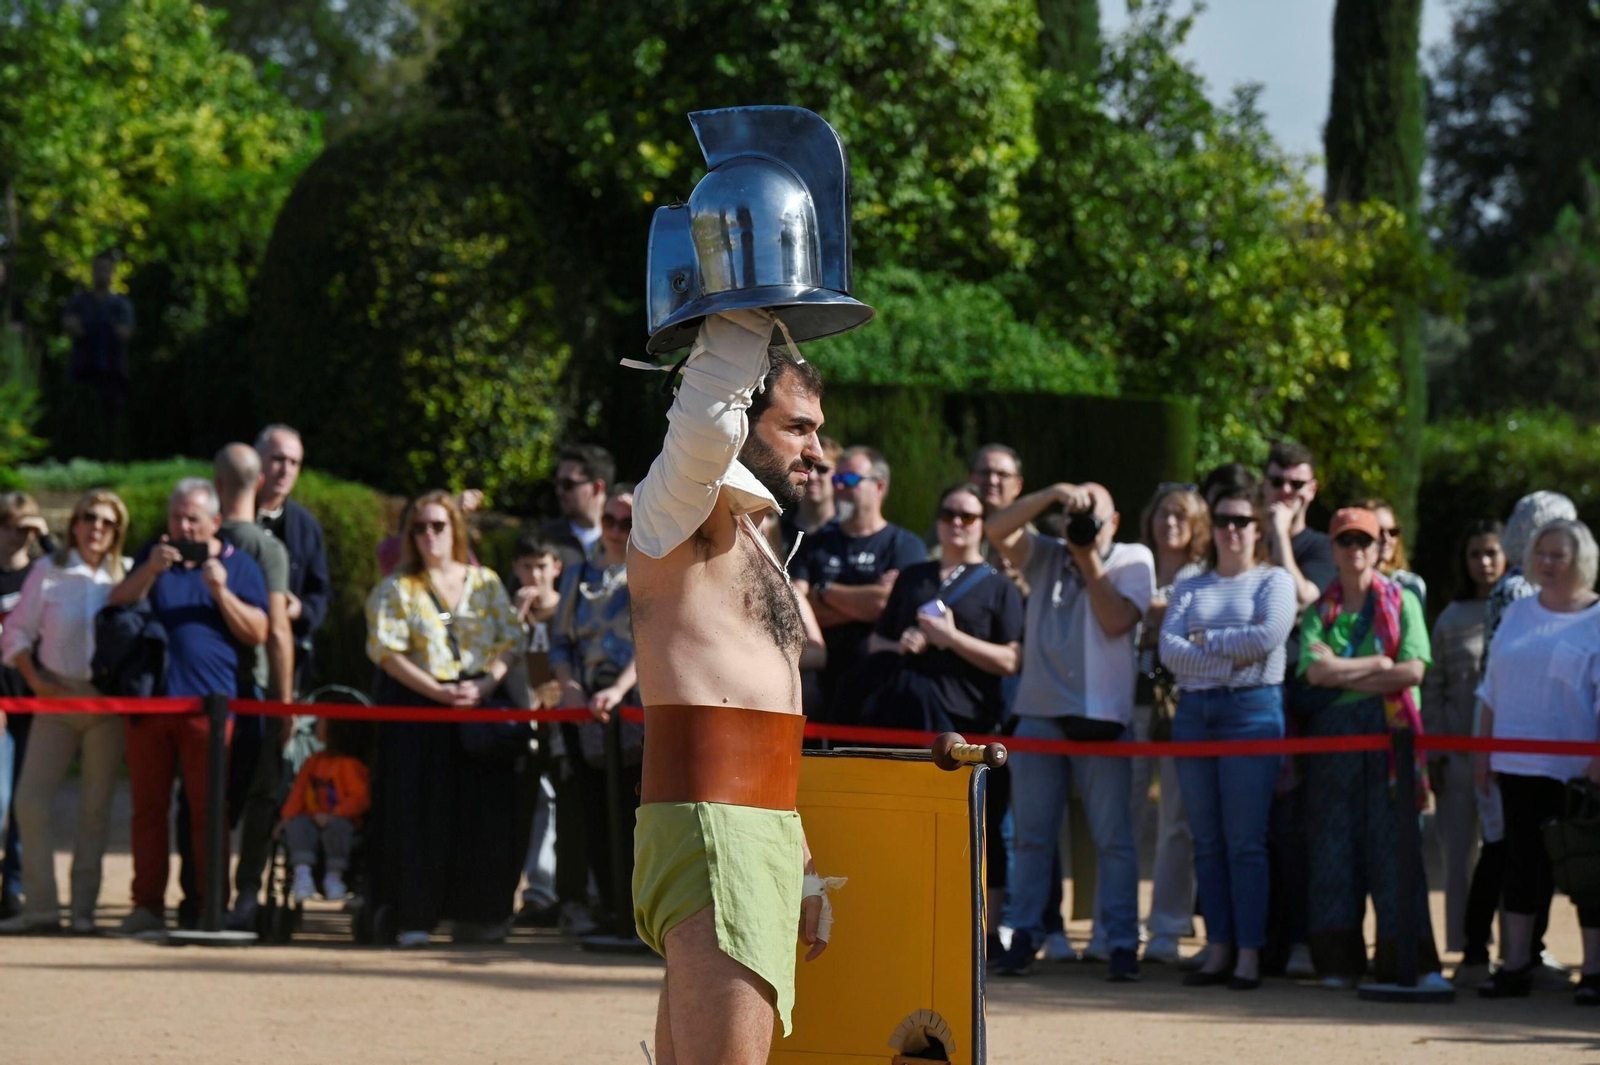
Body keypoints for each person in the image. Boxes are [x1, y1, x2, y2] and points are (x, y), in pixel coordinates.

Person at [627, 309, 843, 1060]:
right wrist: (743, 307)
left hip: (751, 826)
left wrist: (800, 862)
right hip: (714, 826)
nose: (818, 451)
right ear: (746, 416)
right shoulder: (679, 506)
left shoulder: (750, 531)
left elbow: (766, 708)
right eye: (798, 427)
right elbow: (706, 416)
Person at [984, 479, 1155, 981]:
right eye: (1073, 516)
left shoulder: (1133, 558)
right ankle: (1025, 937)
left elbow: (1117, 621)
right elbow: (995, 530)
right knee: (1032, 839)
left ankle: (1121, 943)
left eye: (1092, 515)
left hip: (1102, 718)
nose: (1081, 524)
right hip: (1039, 714)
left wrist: (1087, 556)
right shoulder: (1046, 553)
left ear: (1114, 522)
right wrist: (1053, 495)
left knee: (1114, 839)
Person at [108, 478, 269, 937]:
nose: (183, 527)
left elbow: (258, 631)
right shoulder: (154, 556)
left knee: (209, 811)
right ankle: (146, 905)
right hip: (151, 703)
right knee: (148, 809)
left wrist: (221, 591)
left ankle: (209, 906)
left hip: (210, 710)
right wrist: (149, 571)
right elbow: (116, 602)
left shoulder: (240, 566)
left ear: (216, 521)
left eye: (192, 519)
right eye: (176, 517)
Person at [1297, 507, 1446, 990]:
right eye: (1345, 541)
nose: (1355, 549)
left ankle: (1409, 962)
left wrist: (1344, 671)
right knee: (1334, 848)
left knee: (1394, 849)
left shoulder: (1403, 601)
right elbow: (1314, 673)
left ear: (1380, 546)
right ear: (1333, 548)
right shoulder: (1320, 610)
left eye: (1364, 540)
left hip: (1391, 737)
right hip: (1334, 741)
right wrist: (1378, 664)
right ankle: (1338, 963)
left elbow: (1413, 671)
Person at [364, 490, 521, 948]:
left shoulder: (486, 582)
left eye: (438, 526)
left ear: (455, 530)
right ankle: (415, 914)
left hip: (479, 709)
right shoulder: (398, 587)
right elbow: (386, 651)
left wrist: (485, 685)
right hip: (420, 712)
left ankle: (479, 916)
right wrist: (438, 692)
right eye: (419, 528)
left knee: (483, 817)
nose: (429, 535)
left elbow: (510, 640)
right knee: (419, 816)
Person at [1159, 487, 1297, 989]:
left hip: (1252, 712)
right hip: (1194, 714)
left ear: (1258, 529)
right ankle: (1218, 950)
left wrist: (1205, 644)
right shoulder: (1189, 581)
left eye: (1241, 520)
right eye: (1222, 520)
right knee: (1207, 841)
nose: (1231, 529)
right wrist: (1227, 659)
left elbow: (1267, 638)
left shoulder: (1274, 579)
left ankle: (1249, 956)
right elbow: (1169, 651)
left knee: (1245, 842)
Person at [1473, 518, 1600, 1004]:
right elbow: (1491, 688)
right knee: (1520, 867)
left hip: (1577, 772)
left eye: (1558, 555)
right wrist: (1484, 751)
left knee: (1587, 870)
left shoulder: (1595, 617)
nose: (1546, 563)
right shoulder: (1517, 612)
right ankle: (1515, 964)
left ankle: (1593, 970)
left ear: (1579, 560)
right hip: (1516, 765)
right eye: (1541, 553)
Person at [0, 491, 129, 934]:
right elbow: (16, 633)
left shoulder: (125, 575)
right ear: (75, 524)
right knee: (29, 802)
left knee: (95, 809)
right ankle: (41, 909)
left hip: (107, 703)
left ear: (117, 531)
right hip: (56, 697)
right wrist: (35, 681)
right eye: (89, 517)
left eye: (108, 522)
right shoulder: (48, 572)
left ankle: (83, 914)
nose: (97, 527)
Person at [208, 443, 294, 933]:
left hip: (202, 693)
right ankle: (244, 894)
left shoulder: (198, 538)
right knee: (262, 794)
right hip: (253, 691)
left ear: (216, 484)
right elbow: (278, 631)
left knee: (208, 797)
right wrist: (286, 704)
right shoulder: (267, 548)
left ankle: (205, 895)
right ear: (259, 483)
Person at [550, 485, 640, 936]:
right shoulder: (578, 573)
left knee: (633, 811)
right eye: (609, 521)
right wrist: (568, 686)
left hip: (637, 705)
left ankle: (636, 915)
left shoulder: (651, 569)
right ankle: (607, 908)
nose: (616, 531)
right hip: (584, 704)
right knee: (591, 810)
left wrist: (621, 688)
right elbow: (560, 641)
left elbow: (655, 641)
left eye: (627, 522)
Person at [865, 483, 1022, 735]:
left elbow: (1010, 661)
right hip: (900, 709)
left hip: (964, 719)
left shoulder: (1001, 587)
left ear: (983, 524)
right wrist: (900, 645)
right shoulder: (912, 576)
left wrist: (952, 639)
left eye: (967, 517)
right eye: (948, 515)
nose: (956, 523)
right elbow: (876, 642)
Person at [1262, 441, 1333, 980]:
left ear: (1312, 489)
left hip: (1301, 703)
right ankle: (1255, 944)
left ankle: (1302, 941)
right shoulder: (1242, 536)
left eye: (1296, 483)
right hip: (1250, 699)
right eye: (1277, 482)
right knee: (1252, 830)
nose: (1285, 492)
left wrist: (1280, 534)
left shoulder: (1322, 546)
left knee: (1295, 829)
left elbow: (1304, 598)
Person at [1421, 519, 1505, 973]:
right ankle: (1467, 946)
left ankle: (1519, 946)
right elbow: (1433, 688)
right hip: (1456, 754)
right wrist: (1434, 751)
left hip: (1506, 755)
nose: (1484, 562)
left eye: (1492, 552)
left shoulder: (1519, 611)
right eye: (1475, 554)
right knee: (1458, 854)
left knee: (1507, 850)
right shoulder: (1451, 618)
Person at [790, 446, 926, 720]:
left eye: (850, 480)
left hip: (877, 680)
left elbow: (886, 606)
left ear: (879, 487)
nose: (839, 487)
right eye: (837, 479)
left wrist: (823, 591)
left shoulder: (904, 546)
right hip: (819, 677)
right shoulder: (814, 544)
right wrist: (866, 601)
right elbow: (796, 609)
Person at [1133, 483, 1208, 964]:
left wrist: (1147, 612)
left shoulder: (1204, 575)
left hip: (1183, 706)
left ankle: (1168, 925)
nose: (1170, 522)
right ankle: (1116, 923)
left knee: (1177, 820)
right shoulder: (1135, 565)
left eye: (1181, 515)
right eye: (1163, 513)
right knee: (1123, 816)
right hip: (1128, 702)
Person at [0, 491, 54, 918]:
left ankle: (14, 889)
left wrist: (47, 539)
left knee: (26, 802)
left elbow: (75, 574)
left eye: (25, 527)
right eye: (9, 526)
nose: (17, 535)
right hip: (0, 705)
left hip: (34, 702)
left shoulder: (42, 573)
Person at [509, 534, 566, 929]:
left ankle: (547, 890)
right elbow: (496, 655)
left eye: (542, 566)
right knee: (535, 802)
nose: (535, 575)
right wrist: (515, 616)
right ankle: (533, 891)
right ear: (516, 569)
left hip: (562, 718)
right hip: (519, 720)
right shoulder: (509, 612)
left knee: (556, 801)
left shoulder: (567, 609)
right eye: (527, 566)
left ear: (556, 568)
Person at [254, 424, 333, 694]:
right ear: (257, 460)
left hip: (288, 657)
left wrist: (299, 610)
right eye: (278, 459)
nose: (286, 470)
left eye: (294, 462)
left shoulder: (306, 526)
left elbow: (321, 592)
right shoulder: (229, 515)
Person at [277, 719, 371, 905]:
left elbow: (360, 798)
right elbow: (298, 793)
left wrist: (334, 814)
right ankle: (302, 876)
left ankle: (333, 878)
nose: (316, 726)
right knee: (298, 825)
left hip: (340, 819)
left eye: (321, 722)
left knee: (338, 827)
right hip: (312, 818)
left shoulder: (350, 764)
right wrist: (287, 818)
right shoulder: (313, 761)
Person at [61, 250, 134, 454]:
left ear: (112, 272)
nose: (101, 273)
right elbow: (69, 326)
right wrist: (106, 327)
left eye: (105, 269)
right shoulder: (80, 301)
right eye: (97, 269)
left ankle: (110, 455)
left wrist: (89, 327)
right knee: (81, 420)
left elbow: (125, 332)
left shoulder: (121, 303)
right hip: (83, 369)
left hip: (113, 371)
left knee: (112, 420)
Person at [540, 444, 615, 572]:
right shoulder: (546, 538)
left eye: (568, 484)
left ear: (597, 487)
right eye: (558, 483)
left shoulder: (625, 538)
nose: (559, 491)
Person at [778, 434, 843, 558]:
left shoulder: (850, 533)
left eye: (822, 469)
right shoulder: (776, 528)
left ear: (839, 476)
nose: (812, 476)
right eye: (806, 468)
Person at [1362, 498, 1427, 611]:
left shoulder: (1409, 585)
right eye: (1379, 531)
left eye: (1393, 532)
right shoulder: (1341, 585)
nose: (1387, 539)